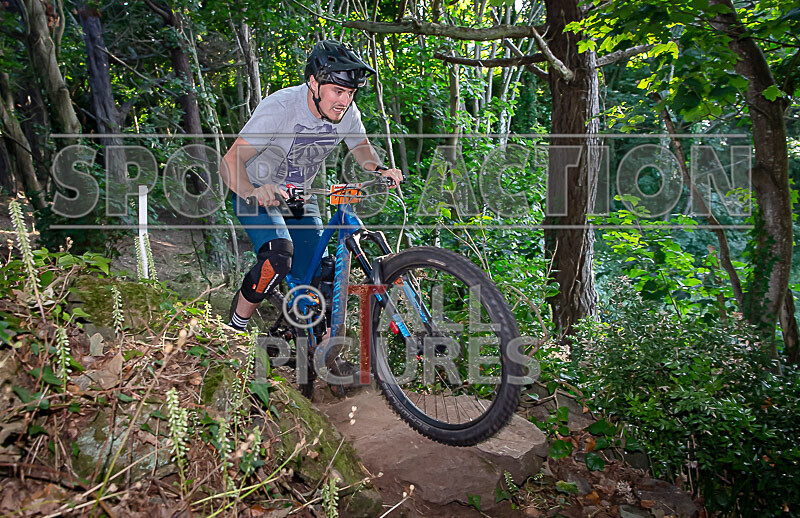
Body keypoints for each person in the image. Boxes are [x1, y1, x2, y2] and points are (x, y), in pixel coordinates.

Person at [219, 40, 402, 343]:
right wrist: (253, 191)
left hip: (301, 197)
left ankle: (318, 347)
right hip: (255, 190)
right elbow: (230, 162)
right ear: (314, 83)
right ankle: (234, 328)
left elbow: (360, 148)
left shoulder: (347, 112)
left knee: (322, 275)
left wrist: (380, 170)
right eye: (338, 91)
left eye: (351, 93)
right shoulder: (280, 109)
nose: (344, 101)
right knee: (278, 255)